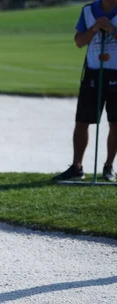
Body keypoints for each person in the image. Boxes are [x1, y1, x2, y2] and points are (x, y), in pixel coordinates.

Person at [53, 0, 117, 182]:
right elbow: (79, 42)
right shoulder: (88, 10)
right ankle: (77, 167)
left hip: (116, 72)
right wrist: (96, 28)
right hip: (92, 72)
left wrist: (111, 29)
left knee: (115, 122)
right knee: (82, 121)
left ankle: (109, 167)